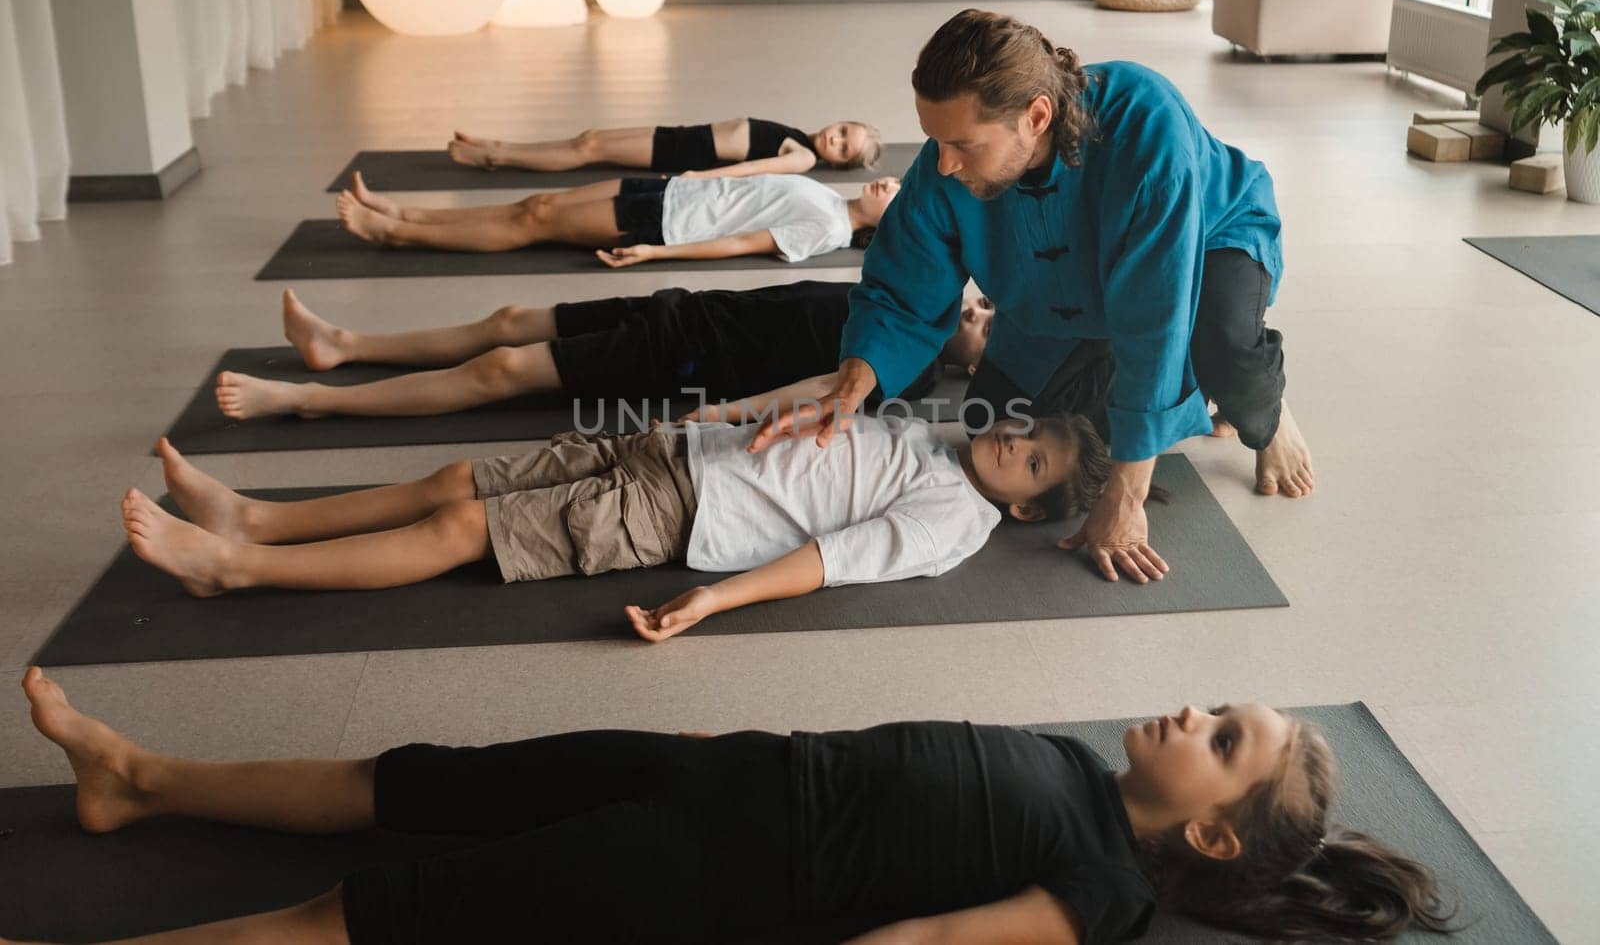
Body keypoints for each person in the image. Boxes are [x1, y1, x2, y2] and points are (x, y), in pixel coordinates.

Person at [13, 667, 1453, 944]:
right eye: (1219, 700)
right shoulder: (1079, 767)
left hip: (695, 862)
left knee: (369, 913)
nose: (1193, 709)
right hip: (712, 764)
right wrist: (705, 733)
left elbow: (935, 941)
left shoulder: (1102, 890)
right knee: (409, 780)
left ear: (1212, 827)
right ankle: (137, 779)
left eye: (1224, 734)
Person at [745, 9, 1316, 586]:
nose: (943, 164)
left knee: (1218, 346)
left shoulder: (1146, 126)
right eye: (935, 141)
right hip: (1063, 297)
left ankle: (1263, 406)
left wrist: (1127, 493)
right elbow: (905, 274)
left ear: (1036, 116)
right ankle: (1192, 384)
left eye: (962, 145)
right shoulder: (949, 158)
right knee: (988, 420)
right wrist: (852, 383)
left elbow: (1156, 314)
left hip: (1210, 237)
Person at [124, 411, 1108, 641]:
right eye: (1023, 429)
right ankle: (258, 514)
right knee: (458, 473)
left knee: (464, 524)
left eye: (1029, 459)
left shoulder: (955, 521)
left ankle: (239, 567)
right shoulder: (945, 440)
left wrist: (713, 597)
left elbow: (834, 557)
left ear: (1023, 504)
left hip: (683, 509)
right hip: (677, 448)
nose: (1010, 439)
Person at [209, 284, 994, 423]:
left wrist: (714, 415)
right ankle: (343, 345)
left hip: (687, 355)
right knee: (510, 319)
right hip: (688, 310)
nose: (976, 309)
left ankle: (307, 399)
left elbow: (824, 385)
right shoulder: (917, 300)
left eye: (987, 322)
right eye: (984, 302)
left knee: (503, 372)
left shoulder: (916, 370)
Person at [334, 170, 896, 261]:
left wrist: (656, 251)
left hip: (668, 225)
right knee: (534, 205)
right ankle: (404, 212)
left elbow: (742, 242)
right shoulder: (830, 200)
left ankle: (395, 234)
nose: (887, 184)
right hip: (672, 191)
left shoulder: (828, 228)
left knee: (536, 224)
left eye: (894, 193)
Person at [446, 115, 882, 176]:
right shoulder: (801, 136)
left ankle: (496, 156)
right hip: (683, 134)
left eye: (844, 148)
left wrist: (698, 177)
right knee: (589, 139)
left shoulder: (803, 157)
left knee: (589, 149)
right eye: (844, 130)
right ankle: (499, 144)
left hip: (686, 154)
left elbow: (748, 171)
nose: (836, 138)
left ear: (839, 163)